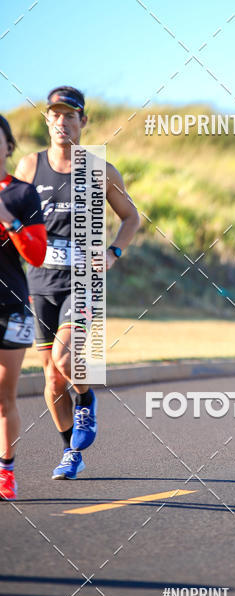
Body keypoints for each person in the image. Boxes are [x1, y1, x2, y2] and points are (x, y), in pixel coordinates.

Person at [15, 87, 140, 479]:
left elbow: (131, 217)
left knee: (66, 360)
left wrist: (114, 252)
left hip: (84, 279)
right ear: (47, 120)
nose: (62, 122)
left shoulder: (100, 169)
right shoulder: (29, 166)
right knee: (51, 378)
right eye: (55, 115)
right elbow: (11, 220)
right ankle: (71, 451)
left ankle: (86, 398)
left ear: (83, 122)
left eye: (71, 115)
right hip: (39, 281)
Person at [0, 115, 47, 500]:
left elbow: (36, 254)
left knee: (4, 397)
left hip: (10, 305)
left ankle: (7, 471)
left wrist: (7, 218)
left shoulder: (21, 194)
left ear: (8, 146)